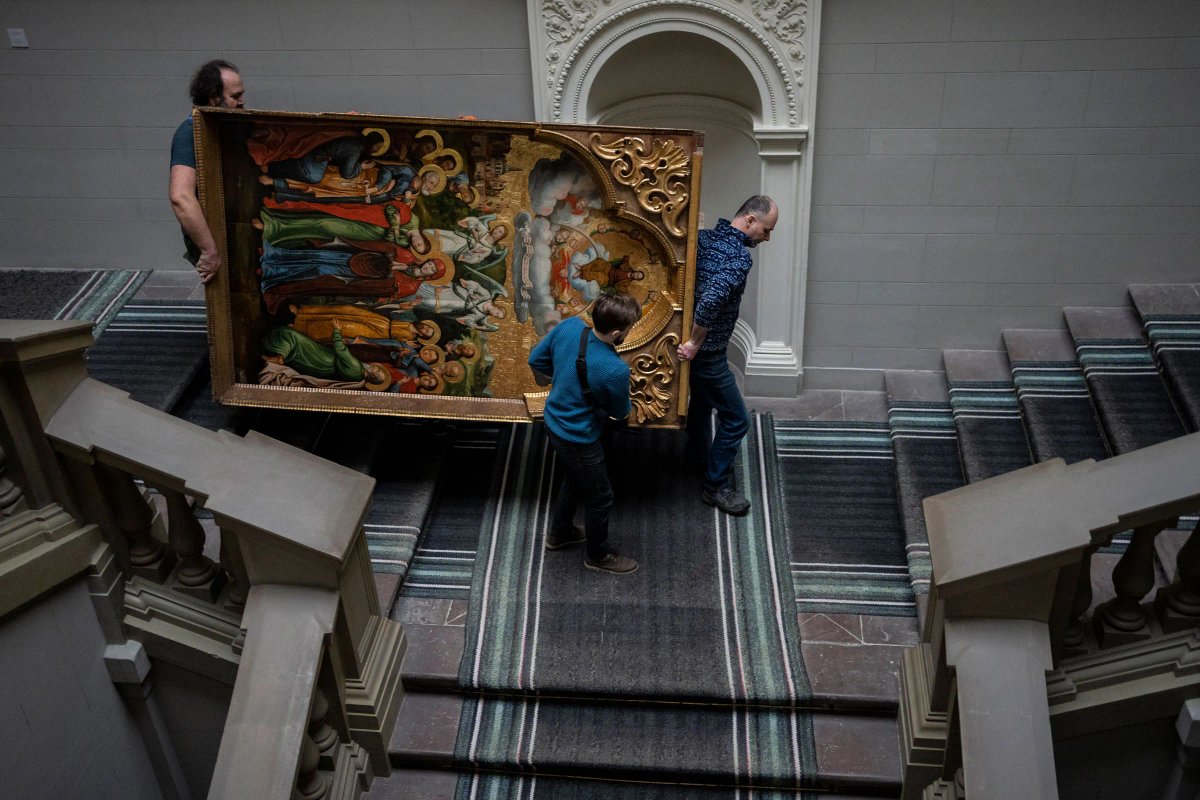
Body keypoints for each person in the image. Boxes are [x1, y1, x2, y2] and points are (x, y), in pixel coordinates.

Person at [676, 195, 778, 516]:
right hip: (708, 352)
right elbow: (711, 299)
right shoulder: (738, 257)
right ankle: (715, 485)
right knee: (736, 419)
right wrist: (695, 342)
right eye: (766, 229)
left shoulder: (704, 238)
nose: (767, 237)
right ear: (749, 221)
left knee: (703, 403)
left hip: (694, 347)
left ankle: (696, 458)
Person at [528, 292, 642, 575]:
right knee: (601, 495)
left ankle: (560, 533)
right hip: (580, 436)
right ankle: (597, 555)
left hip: (554, 421)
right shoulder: (614, 369)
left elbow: (536, 359)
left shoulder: (569, 327)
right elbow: (619, 411)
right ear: (617, 332)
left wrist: (562, 381)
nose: (628, 333)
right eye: (628, 330)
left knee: (575, 480)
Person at [169, 60, 245, 284]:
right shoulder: (190, 133)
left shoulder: (227, 124)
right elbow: (180, 197)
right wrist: (209, 251)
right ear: (214, 98)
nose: (242, 101)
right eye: (235, 96)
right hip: (215, 235)